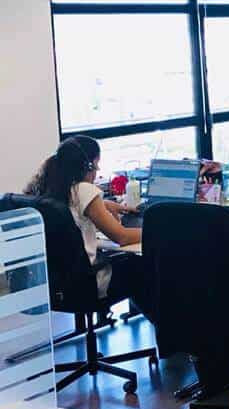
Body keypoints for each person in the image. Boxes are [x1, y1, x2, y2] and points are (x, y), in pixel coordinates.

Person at [24, 136, 154, 317]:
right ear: (88, 166)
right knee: (143, 266)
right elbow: (122, 237)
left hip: (55, 285)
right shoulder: (84, 190)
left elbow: (69, 209)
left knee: (130, 264)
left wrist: (103, 204)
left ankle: (163, 325)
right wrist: (156, 229)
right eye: (97, 164)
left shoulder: (46, 187)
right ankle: (169, 327)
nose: (97, 170)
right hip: (87, 286)